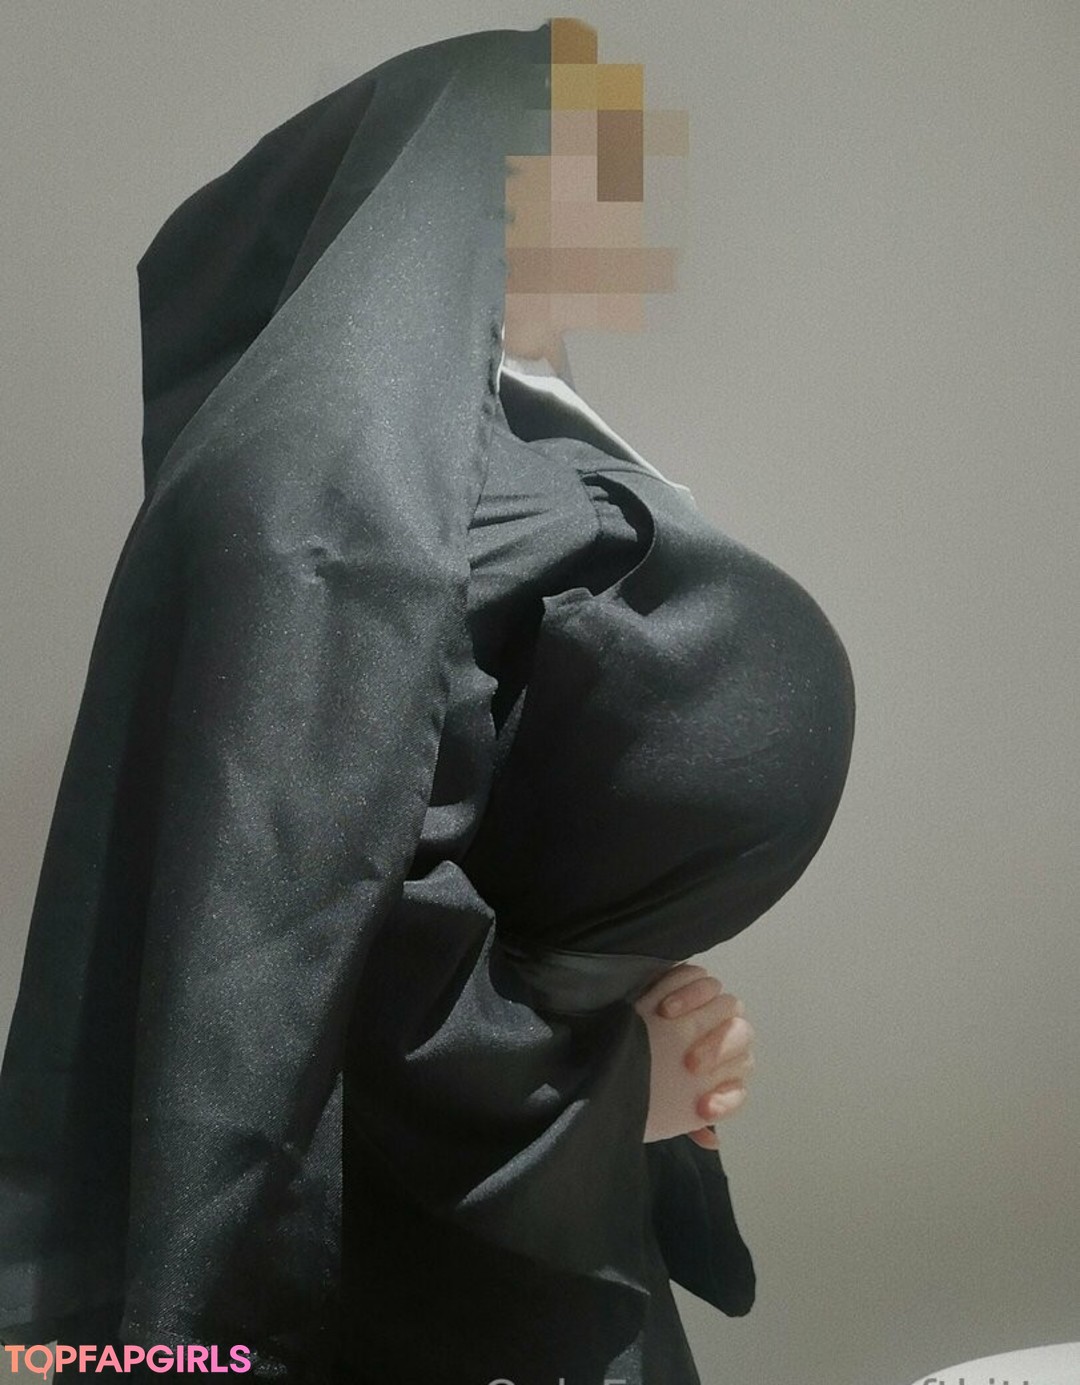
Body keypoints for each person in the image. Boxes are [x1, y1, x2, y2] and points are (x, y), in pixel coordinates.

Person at [0, 18, 855, 1385]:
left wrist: (622, 1004)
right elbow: (322, 917)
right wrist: (601, 1088)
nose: (635, 197)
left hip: (554, 1136)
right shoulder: (344, 485)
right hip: (454, 1239)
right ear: (481, 167)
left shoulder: (474, 445)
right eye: (594, 154)